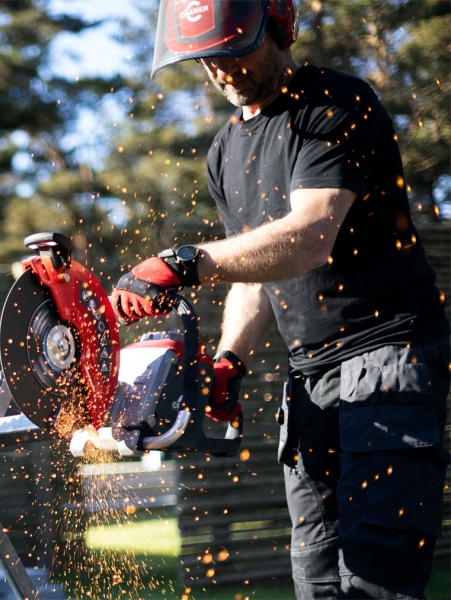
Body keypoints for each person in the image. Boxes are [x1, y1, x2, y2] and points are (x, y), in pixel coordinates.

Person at [111, 1, 450, 597]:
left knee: (378, 579)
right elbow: (256, 273)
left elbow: (311, 235)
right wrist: (229, 361)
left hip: (388, 359)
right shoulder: (224, 151)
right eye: (206, 58)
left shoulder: (335, 104)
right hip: (309, 378)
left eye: (233, 51)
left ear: (280, 27)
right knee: (315, 580)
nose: (219, 69)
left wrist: (185, 262)